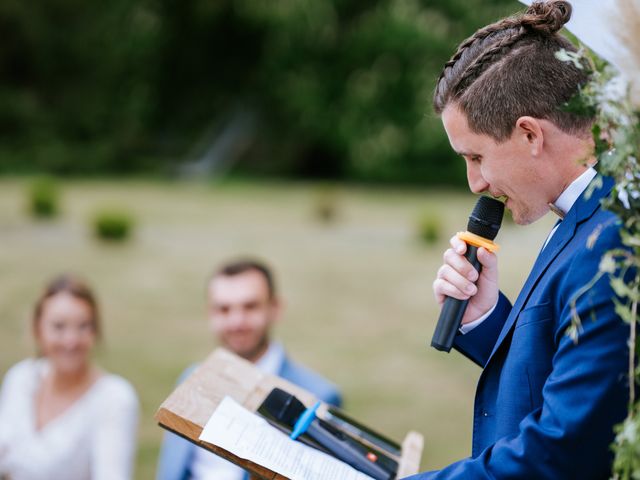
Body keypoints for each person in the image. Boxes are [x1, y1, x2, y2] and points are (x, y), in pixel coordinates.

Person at [406, 1, 630, 478]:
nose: (475, 183)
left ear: (530, 134)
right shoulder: (586, 215)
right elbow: (569, 377)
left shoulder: (612, 242)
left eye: (476, 157)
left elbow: (564, 451)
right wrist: (486, 318)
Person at [156, 258, 342, 480]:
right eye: (224, 309)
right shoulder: (190, 379)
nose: (237, 322)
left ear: (275, 309)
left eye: (250, 306)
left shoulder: (318, 396)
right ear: (210, 313)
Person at [0, 274, 139, 480]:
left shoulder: (114, 399)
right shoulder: (21, 378)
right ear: (39, 330)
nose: (71, 340)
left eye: (83, 326)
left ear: (95, 332)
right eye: (59, 327)